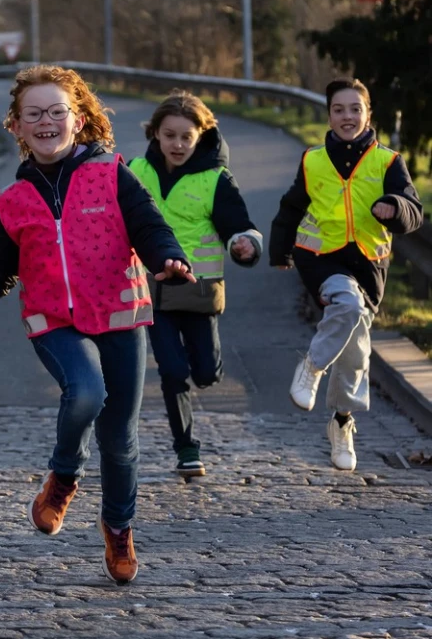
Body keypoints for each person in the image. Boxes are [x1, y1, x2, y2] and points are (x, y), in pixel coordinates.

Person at [0, 65, 195, 585]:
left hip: (119, 316)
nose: (46, 121)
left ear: (78, 119)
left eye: (56, 112)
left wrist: (168, 258)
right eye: (34, 114)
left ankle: (118, 529)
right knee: (85, 393)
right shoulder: (13, 199)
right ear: (17, 126)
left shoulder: (113, 174)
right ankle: (64, 477)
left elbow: (150, 227)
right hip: (54, 322)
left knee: (120, 440)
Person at [269, 77, 423, 471]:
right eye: (339, 110)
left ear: (368, 114)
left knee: (356, 351)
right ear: (329, 116)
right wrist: (280, 251)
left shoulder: (388, 161)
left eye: (355, 109)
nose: (347, 116)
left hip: (369, 264)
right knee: (348, 307)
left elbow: (413, 211)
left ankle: (341, 422)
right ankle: (312, 368)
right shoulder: (313, 160)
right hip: (321, 258)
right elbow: (291, 207)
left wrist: (394, 206)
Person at [129, 90, 262, 478]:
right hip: (151, 292)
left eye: (186, 136)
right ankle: (186, 448)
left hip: (199, 293)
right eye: (169, 135)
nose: (178, 144)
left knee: (205, 373)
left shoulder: (215, 180)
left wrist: (244, 245)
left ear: (201, 135)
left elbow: (240, 226)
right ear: (155, 133)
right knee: (172, 371)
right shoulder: (134, 171)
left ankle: (202, 369)